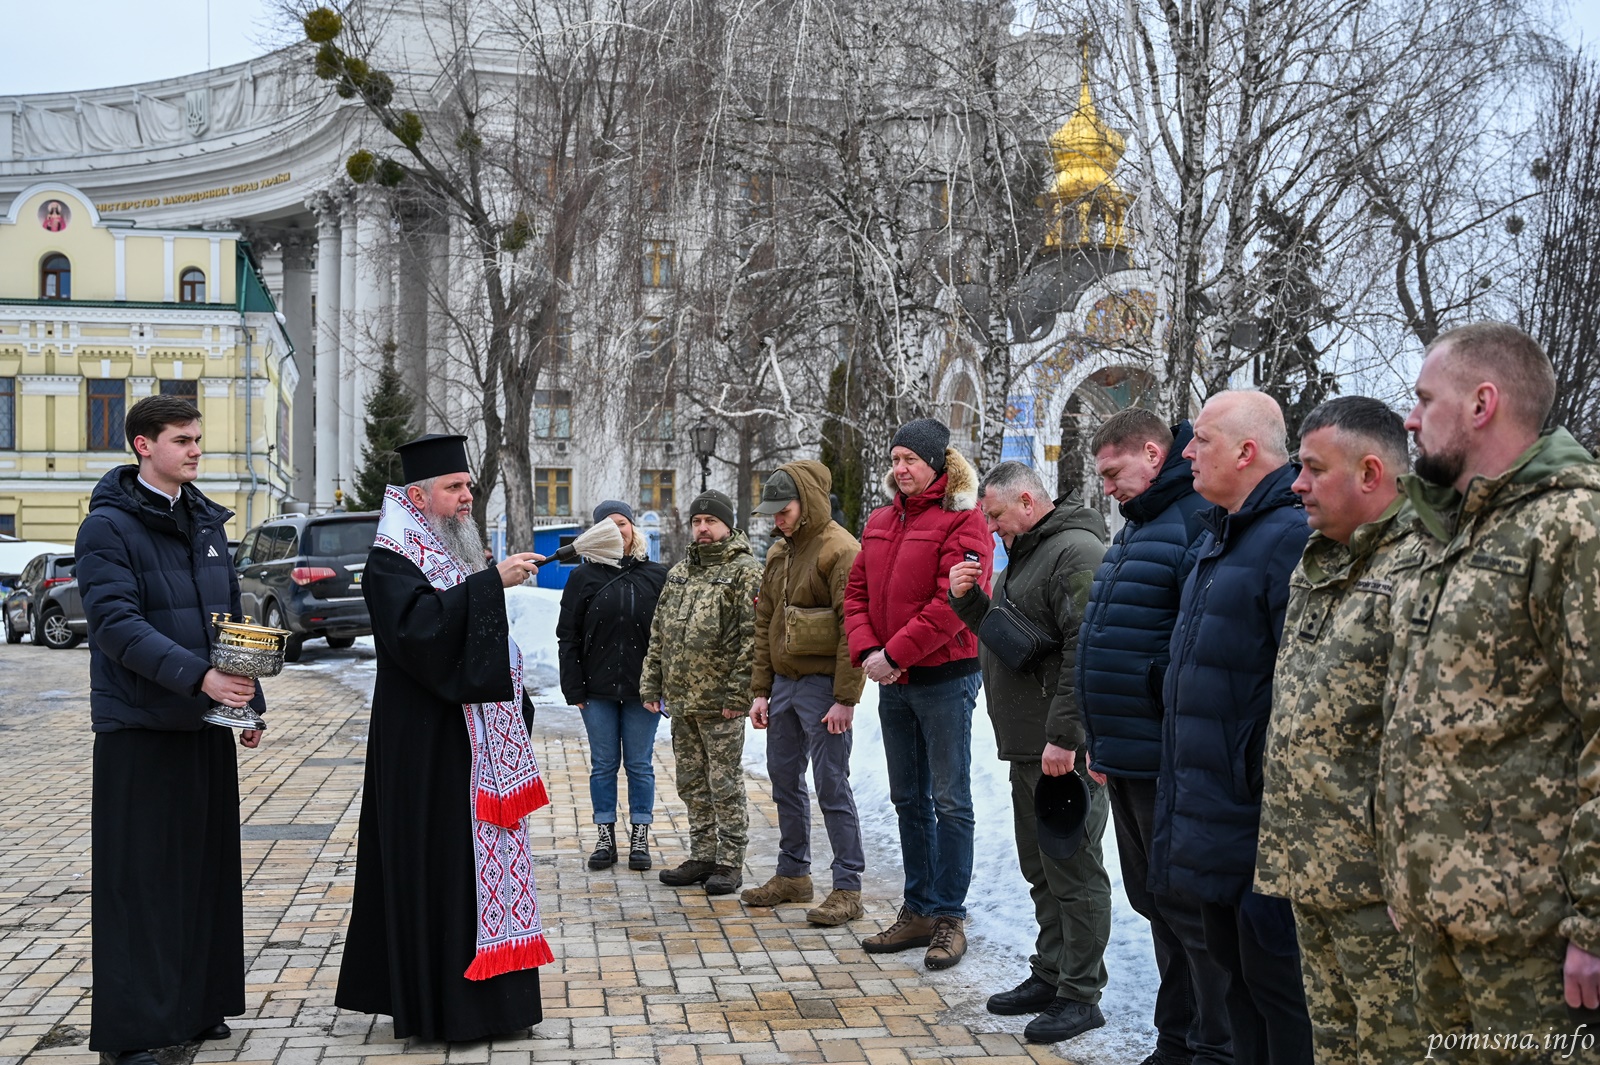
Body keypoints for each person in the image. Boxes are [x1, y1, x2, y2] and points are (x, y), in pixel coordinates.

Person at [1378, 322, 1600, 1046]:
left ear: (1482, 404)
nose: (1409, 419)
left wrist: (1593, 923)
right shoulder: (1453, 535)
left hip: (1532, 938)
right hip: (1442, 921)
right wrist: (1404, 874)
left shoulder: (1570, 526)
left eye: (1423, 399)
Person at [335, 433, 550, 1040]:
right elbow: (419, 635)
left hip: (472, 743)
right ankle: (447, 1011)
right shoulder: (390, 559)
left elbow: (472, 631)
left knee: (479, 867)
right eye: (454, 488)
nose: (466, 498)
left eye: (468, 487)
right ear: (416, 495)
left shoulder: (453, 549)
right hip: (425, 747)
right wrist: (490, 585)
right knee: (441, 869)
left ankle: (496, 1006)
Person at [77, 395, 264, 1065]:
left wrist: (246, 698)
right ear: (142, 445)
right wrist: (200, 678)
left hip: (202, 724)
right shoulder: (108, 528)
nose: (194, 449)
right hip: (140, 729)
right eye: (181, 439)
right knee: (142, 886)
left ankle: (196, 1003)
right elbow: (116, 626)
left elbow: (228, 614)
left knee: (205, 873)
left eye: (197, 439)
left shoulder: (207, 523)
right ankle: (131, 1036)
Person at [1254, 396, 1420, 1065]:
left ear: (1371, 473)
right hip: (1311, 867)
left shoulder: (1418, 569)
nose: (1296, 483)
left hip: (1380, 889)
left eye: (1313, 468)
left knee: (1397, 1050)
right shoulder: (1319, 561)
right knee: (1334, 1044)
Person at [1148, 390, 1313, 1065]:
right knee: (1237, 982)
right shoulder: (1222, 532)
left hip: (1256, 829)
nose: (1186, 451)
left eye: (1203, 439)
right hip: (1214, 816)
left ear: (1247, 451)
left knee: (1277, 996)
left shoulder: (1289, 539)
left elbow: (1297, 701)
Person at [1077, 408, 1225, 1065]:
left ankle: (1211, 1042)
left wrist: (1149, 704)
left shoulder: (1192, 517)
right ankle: (1176, 1035)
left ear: (1152, 452)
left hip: (1167, 755)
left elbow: (1196, 640)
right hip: (1129, 752)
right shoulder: (1139, 525)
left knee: (1189, 910)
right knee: (1157, 903)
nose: (1105, 485)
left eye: (1113, 471)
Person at [948, 461, 1111, 1044]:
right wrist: (970, 605)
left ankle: (1080, 994)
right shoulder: (1031, 549)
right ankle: (1051, 973)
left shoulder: (1075, 551)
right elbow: (1019, 642)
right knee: (1041, 868)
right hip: (1030, 745)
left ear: (1025, 499)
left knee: (1074, 869)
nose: (990, 528)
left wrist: (1066, 736)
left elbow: (1082, 651)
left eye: (995, 515)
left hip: (1059, 748)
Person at [845, 417, 992, 970]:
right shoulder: (881, 520)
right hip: (893, 680)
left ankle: (949, 914)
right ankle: (919, 909)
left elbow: (953, 604)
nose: (900, 469)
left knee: (950, 799)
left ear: (937, 463)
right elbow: (855, 592)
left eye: (910, 459)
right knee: (909, 798)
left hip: (945, 679)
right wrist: (867, 654)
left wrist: (894, 655)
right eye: (895, 459)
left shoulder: (965, 519)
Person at [744, 461, 867, 926]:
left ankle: (848, 887)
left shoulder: (841, 550)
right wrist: (761, 690)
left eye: (785, 509)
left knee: (831, 784)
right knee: (783, 781)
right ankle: (794, 874)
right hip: (783, 687)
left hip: (823, 689)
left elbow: (853, 630)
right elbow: (764, 624)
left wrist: (845, 698)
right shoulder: (779, 553)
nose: (778, 519)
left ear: (808, 502)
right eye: (773, 512)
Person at [640, 489, 762, 897]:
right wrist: (652, 683)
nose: (703, 529)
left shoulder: (745, 572)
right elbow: (659, 633)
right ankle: (703, 855)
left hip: (720, 704)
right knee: (692, 782)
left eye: (710, 521)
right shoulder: (680, 573)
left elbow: (752, 638)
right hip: (682, 700)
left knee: (723, 782)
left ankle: (729, 862)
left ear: (728, 524)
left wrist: (738, 694)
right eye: (697, 522)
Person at [557, 499, 668, 872]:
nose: (617, 530)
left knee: (639, 765)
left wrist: (661, 685)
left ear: (633, 529)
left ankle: (640, 835)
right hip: (596, 691)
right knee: (603, 765)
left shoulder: (656, 576)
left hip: (643, 691)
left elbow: (668, 637)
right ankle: (605, 836)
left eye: (622, 523)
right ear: (595, 533)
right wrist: (574, 689)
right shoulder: (582, 577)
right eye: (607, 524)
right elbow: (567, 636)